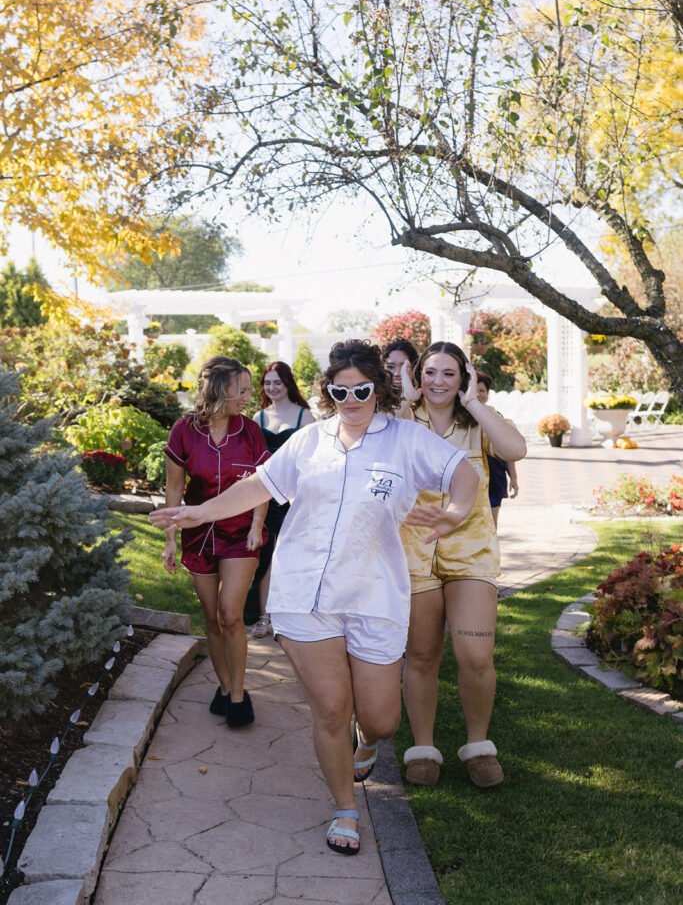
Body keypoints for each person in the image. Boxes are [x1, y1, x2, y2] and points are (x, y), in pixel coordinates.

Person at [151, 339, 479, 856]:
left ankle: (366, 739)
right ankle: (344, 807)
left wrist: (456, 511)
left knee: (381, 719)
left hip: (373, 597)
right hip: (304, 593)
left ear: (380, 389)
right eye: (339, 390)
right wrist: (197, 513)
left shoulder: (407, 440)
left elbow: (465, 472)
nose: (351, 399)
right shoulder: (309, 441)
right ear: (329, 391)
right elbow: (257, 486)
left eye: (362, 390)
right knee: (329, 709)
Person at [399, 342, 526, 789]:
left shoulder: (477, 424)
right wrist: (404, 400)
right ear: (418, 376)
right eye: (430, 372)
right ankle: (423, 748)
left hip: (471, 554)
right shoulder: (401, 422)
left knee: (475, 655)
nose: (438, 381)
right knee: (421, 655)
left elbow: (516, 448)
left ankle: (478, 746)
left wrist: (475, 403)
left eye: (449, 374)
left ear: (464, 378)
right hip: (413, 555)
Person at [162, 356, 270, 728]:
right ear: (223, 389)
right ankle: (224, 689)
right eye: (241, 389)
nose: (247, 396)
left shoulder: (251, 431)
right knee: (211, 618)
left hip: (241, 533)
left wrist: (258, 524)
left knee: (230, 613)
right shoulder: (184, 430)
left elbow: (262, 483)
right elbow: (175, 487)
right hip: (198, 533)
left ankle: (239, 697)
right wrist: (170, 539)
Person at [246, 361, 314, 636]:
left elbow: (311, 460)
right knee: (265, 559)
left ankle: (288, 619)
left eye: (277, 382)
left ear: (288, 384)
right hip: (264, 494)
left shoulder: (305, 417)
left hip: (294, 497)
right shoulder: (258, 418)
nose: (272, 388)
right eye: (267, 382)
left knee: (286, 559)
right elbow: (252, 462)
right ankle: (263, 618)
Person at [476, 371, 519, 528]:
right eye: (474, 390)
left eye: (482, 390)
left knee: (491, 526)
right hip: (471, 477)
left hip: (494, 477)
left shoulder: (497, 417)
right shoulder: (458, 417)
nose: (478, 394)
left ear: (487, 394)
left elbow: (508, 450)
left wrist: (513, 478)